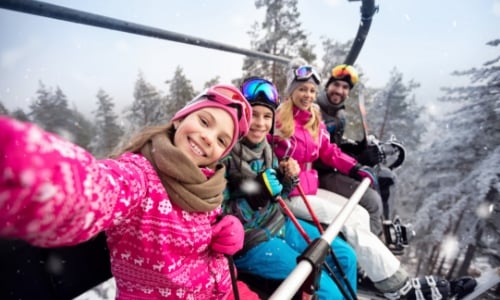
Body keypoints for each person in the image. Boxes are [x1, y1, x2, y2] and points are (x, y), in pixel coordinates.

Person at [0, 84, 259, 300]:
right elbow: (95, 191)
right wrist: (30, 169)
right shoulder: (139, 176)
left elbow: (211, 224)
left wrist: (227, 226)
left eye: (222, 140)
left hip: (226, 288)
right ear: (180, 117)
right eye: (204, 121)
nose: (208, 138)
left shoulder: (208, 183)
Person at [271, 64, 476, 300]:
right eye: (302, 90)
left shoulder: (314, 117)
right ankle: (398, 286)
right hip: (290, 192)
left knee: (359, 213)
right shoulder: (279, 119)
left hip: (310, 186)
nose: (307, 95)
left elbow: (329, 151)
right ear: (291, 91)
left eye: (310, 90)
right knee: (347, 220)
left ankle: (375, 268)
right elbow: (264, 149)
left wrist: (355, 167)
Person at [221, 77, 357, 299]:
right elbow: (218, 215)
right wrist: (254, 197)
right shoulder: (225, 154)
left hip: (279, 222)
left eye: (267, 116)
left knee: (345, 256)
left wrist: (286, 181)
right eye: (253, 115)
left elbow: (276, 195)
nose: (260, 123)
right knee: (328, 290)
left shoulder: (265, 149)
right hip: (251, 240)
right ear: (242, 116)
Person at [315, 64, 385, 238]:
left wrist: (357, 149)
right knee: (372, 202)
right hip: (318, 173)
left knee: (380, 183)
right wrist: (355, 160)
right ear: (327, 85)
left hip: (330, 168)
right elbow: (315, 151)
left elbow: (333, 145)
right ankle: (369, 250)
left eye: (345, 87)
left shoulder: (339, 115)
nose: (339, 91)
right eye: (336, 85)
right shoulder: (315, 111)